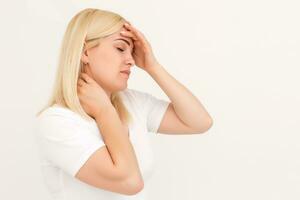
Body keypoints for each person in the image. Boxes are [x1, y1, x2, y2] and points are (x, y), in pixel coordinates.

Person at [35, 8, 213, 200]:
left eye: (132, 51)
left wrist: (152, 66)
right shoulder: (57, 122)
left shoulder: (132, 103)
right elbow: (130, 182)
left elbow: (200, 122)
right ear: (85, 52)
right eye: (120, 48)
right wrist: (105, 111)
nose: (131, 61)